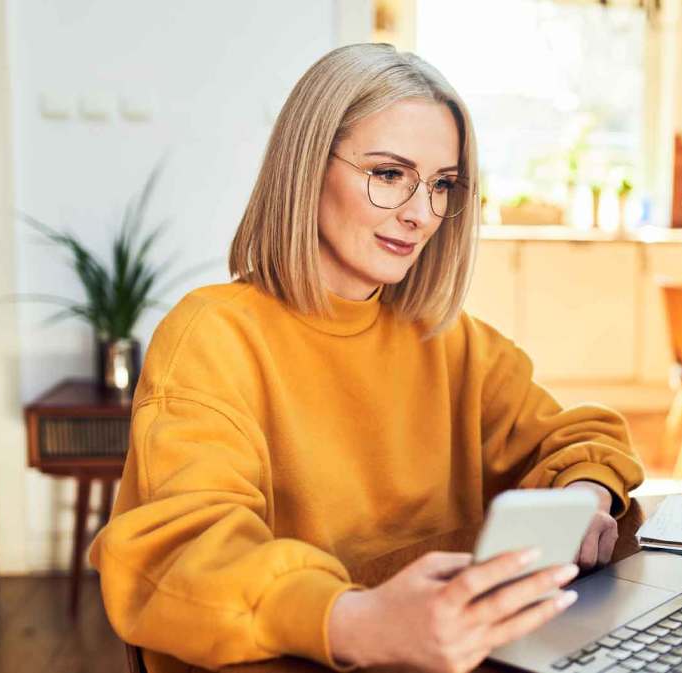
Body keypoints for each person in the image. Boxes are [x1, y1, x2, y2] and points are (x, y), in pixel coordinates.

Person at [90, 43, 644, 673]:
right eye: (388, 174)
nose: (419, 214)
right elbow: (186, 553)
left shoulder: (448, 339)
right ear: (306, 167)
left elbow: (576, 435)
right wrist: (357, 621)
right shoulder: (212, 335)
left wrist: (588, 492)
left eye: (443, 185)